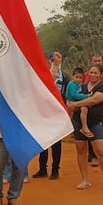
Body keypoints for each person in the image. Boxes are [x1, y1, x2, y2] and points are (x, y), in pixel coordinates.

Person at [67, 64, 103, 192]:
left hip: (96, 122)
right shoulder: (81, 87)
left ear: (101, 74)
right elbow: (69, 100)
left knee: (100, 150)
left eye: (96, 73)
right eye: (91, 73)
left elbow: (94, 100)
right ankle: (84, 180)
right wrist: (72, 104)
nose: (93, 75)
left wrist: (76, 104)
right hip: (78, 121)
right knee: (80, 150)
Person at [34, 51, 68, 180]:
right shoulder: (41, 74)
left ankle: (55, 170)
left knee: (56, 142)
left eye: (53, 61)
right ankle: (42, 169)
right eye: (51, 60)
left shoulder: (64, 76)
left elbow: (66, 91)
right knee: (43, 141)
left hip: (57, 112)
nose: (51, 62)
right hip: (43, 112)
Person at [83, 54, 103, 166]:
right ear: (91, 61)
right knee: (86, 130)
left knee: (96, 131)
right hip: (85, 106)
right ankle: (90, 154)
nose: (97, 62)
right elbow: (83, 87)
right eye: (95, 60)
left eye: (99, 60)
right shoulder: (86, 74)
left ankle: (95, 155)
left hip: (99, 105)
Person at [65, 67, 92, 138]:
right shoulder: (71, 84)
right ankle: (84, 126)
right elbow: (75, 95)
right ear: (72, 76)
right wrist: (87, 96)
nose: (78, 79)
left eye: (80, 78)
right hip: (72, 102)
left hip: (77, 101)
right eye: (76, 77)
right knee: (84, 109)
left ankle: (78, 127)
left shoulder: (80, 85)